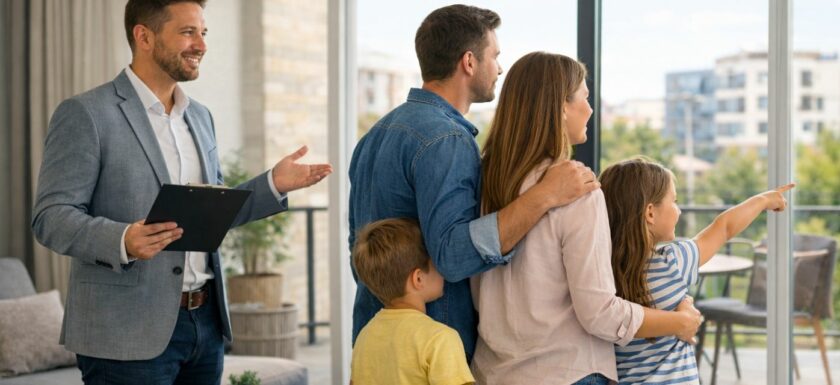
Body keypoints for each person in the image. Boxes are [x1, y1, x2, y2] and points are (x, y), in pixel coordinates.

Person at [31, 1, 331, 383]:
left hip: (204, 327)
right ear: (144, 37)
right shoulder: (86, 113)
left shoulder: (200, 117)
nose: (201, 45)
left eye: (203, 33)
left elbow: (211, 213)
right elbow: (51, 217)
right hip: (124, 332)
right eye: (188, 32)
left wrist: (273, 183)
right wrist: (123, 239)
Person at [348, 4, 599, 360]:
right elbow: (453, 256)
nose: (499, 68)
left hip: (373, 339)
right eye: (494, 56)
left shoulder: (374, 135)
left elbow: (358, 249)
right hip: (431, 353)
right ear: (469, 62)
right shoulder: (446, 139)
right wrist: (544, 195)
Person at [472, 52, 704, 385]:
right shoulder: (578, 188)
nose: (590, 109)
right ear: (561, 107)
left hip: (492, 373)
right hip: (566, 372)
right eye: (584, 97)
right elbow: (600, 313)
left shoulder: (482, 182)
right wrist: (679, 322)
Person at [599, 157, 793, 384]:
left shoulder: (601, 274)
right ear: (650, 213)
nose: (679, 211)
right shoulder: (671, 263)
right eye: (674, 201)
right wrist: (763, 200)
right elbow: (724, 227)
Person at [350, 218, 475, 385]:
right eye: (436, 263)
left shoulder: (364, 337)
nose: (442, 269)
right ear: (418, 278)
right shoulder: (440, 339)